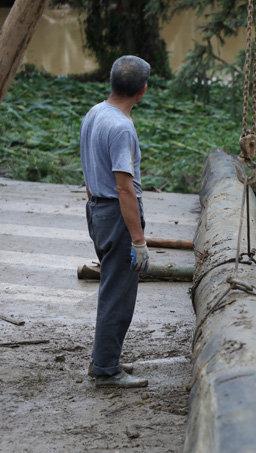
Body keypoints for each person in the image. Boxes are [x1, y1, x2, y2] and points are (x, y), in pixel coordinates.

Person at [80, 55, 151, 388]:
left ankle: (106, 359)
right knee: (118, 294)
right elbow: (124, 187)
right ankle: (106, 368)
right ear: (143, 90)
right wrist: (138, 240)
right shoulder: (121, 128)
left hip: (96, 209)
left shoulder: (95, 113)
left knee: (112, 288)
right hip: (116, 214)